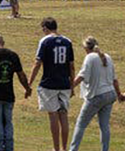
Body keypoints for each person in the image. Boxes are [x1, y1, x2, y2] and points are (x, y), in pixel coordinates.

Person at [28, 18, 75, 151]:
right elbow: (71, 66)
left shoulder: (45, 41)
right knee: (63, 114)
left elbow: (38, 63)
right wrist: (72, 84)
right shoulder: (67, 41)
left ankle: (56, 148)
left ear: (45, 28)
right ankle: (64, 148)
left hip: (49, 83)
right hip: (64, 83)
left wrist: (30, 82)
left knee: (53, 114)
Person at [69, 36, 122, 151]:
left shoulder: (90, 57)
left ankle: (73, 149)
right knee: (104, 126)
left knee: (81, 124)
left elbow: (81, 76)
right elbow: (114, 79)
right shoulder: (107, 57)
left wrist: (69, 87)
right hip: (110, 94)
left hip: (97, 95)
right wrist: (119, 94)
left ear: (86, 48)